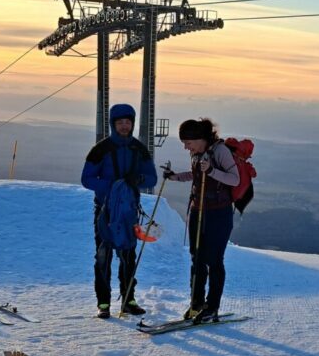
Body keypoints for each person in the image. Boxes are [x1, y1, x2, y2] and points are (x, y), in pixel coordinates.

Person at [81, 103, 158, 318]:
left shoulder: (139, 149)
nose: (124, 126)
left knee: (128, 255)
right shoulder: (101, 149)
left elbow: (152, 177)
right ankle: (103, 304)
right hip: (105, 210)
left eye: (128, 122)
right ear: (113, 124)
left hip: (129, 211)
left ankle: (128, 299)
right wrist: (114, 187)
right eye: (120, 122)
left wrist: (138, 180)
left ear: (132, 123)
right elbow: (86, 178)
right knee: (103, 256)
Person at [163, 118, 240, 322]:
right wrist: (174, 177)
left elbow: (235, 179)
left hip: (219, 213)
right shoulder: (196, 153)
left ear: (199, 138)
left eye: (187, 142)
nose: (185, 147)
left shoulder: (220, 151)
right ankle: (196, 304)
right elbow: (196, 174)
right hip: (198, 210)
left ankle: (211, 307)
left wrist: (212, 171)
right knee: (197, 259)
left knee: (214, 260)